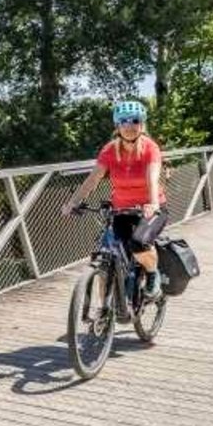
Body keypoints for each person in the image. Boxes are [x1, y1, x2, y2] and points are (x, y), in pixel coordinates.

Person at [61, 99, 167, 301]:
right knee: (113, 251)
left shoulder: (150, 148)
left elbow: (153, 178)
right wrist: (72, 203)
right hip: (122, 209)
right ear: (117, 125)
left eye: (134, 121)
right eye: (124, 121)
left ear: (141, 124)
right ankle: (104, 313)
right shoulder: (109, 150)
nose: (129, 126)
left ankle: (153, 275)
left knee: (138, 242)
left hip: (151, 208)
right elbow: (93, 179)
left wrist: (152, 204)